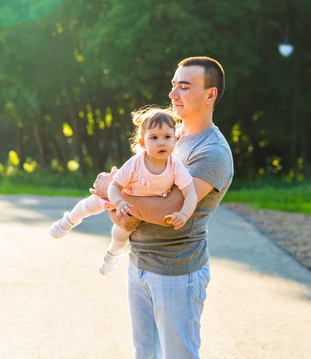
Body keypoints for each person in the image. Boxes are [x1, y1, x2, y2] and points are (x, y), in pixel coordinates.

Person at [91, 56, 234, 358]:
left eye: (184, 86)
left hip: (176, 273)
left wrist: (111, 188)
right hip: (140, 263)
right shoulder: (172, 136)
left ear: (211, 95)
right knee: (146, 354)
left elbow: (168, 210)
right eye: (173, 85)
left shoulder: (213, 152)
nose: (172, 94)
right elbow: (140, 184)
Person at [50, 106, 198, 276]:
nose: (161, 142)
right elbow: (114, 186)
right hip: (119, 196)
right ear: (143, 143)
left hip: (135, 209)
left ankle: (111, 256)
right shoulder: (136, 162)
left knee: (120, 235)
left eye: (167, 137)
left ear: (175, 140)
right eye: (154, 138)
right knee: (89, 205)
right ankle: (69, 220)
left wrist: (184, 214)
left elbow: (190, 193)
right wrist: (119, 201)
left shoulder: (175, 167)